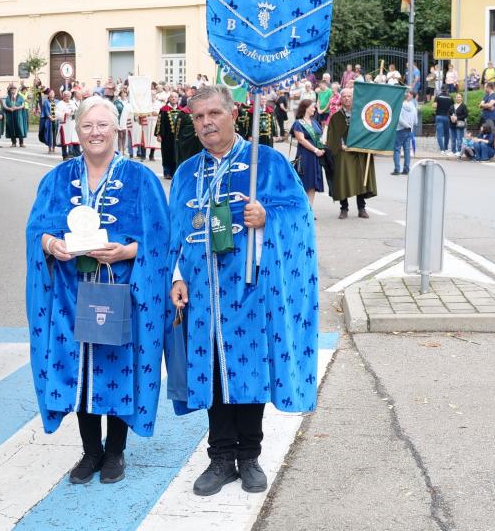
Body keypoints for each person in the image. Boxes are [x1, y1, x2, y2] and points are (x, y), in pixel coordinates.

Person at [166, 85, 318, 497]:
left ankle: (249, 456)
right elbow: (174, 233)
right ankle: (220, 458)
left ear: (234, 115)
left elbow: (300, 216)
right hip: (201, 294)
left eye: (214, 113)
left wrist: (267, 216)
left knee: (249, 370)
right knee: (213, 373)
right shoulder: (186, 173)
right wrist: (176, 277)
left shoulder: (266, 163)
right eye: (198, 117)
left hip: (249, 290)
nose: (206, 123)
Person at [26, 96, 168, 486]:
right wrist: (52, 245)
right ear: (77, 130)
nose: (95, 133)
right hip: (70, 295)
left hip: (119, 291)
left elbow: (160, 238)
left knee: (117, 365)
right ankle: (91, 451)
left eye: (103, 125)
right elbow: (37, 229)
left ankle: (115, 452)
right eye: (87, 126)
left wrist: (125, 251)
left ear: (116, 128)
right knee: (79, 368)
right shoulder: (58, 179)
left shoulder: (140, 179)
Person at [326, 88, 376, 219]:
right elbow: (332, 135)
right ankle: (344, 208)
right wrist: (340, 146)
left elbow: (369, 131)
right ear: (341, 99)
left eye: (349, 96)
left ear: (353, 98)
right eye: (344, 96)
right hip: (343, 151)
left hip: (359, 151)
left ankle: (361, 208)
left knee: (361, 178)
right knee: (343, 178)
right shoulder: (336, 116)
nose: (347, 98)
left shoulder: (361, 114)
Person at [291, 98, 326, 206]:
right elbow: (301, 140)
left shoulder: (314, 122)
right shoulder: (298, 123)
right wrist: (315, 150)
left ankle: (309, 208)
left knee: (313, 183)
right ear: (306, 108)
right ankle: (302, 208)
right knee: (304, 182)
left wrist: (322, 147)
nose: (314, 109)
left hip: (315, 156)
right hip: (305, 156)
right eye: (312, 107)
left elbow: (319, 137)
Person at [155, 92, 180, 179]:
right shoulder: (164, 110)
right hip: (166, 137)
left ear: (178, 99)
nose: (173, 98)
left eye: (175, 97)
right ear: (169, 99)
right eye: (172, 97)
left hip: (177, 138)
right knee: (166, 154)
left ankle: (174, 172)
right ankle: (167, 172)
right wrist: (159, 134)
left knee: (176, 154)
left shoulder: (181, 110)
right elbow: (159, 122)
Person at [392, 90, 418, 175]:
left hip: (400, 129)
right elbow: (415, 121)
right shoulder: (413, 106)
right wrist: (410, 126)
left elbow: (399, 119)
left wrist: (405, 125)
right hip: (409, 130)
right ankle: (406, 169)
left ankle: (397, 169)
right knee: (407, 150)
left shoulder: (400, 105)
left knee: (397, 149)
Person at [433, 88, 454, 154]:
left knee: (439, 134)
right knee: (447, 133)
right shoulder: (450, 97)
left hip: (439, 116)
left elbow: (434, 106)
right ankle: (445, 148)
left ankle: (442, 150)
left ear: (441, 90)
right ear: (447, 90)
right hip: (447, 117)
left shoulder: (438, 96)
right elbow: (452, 107)